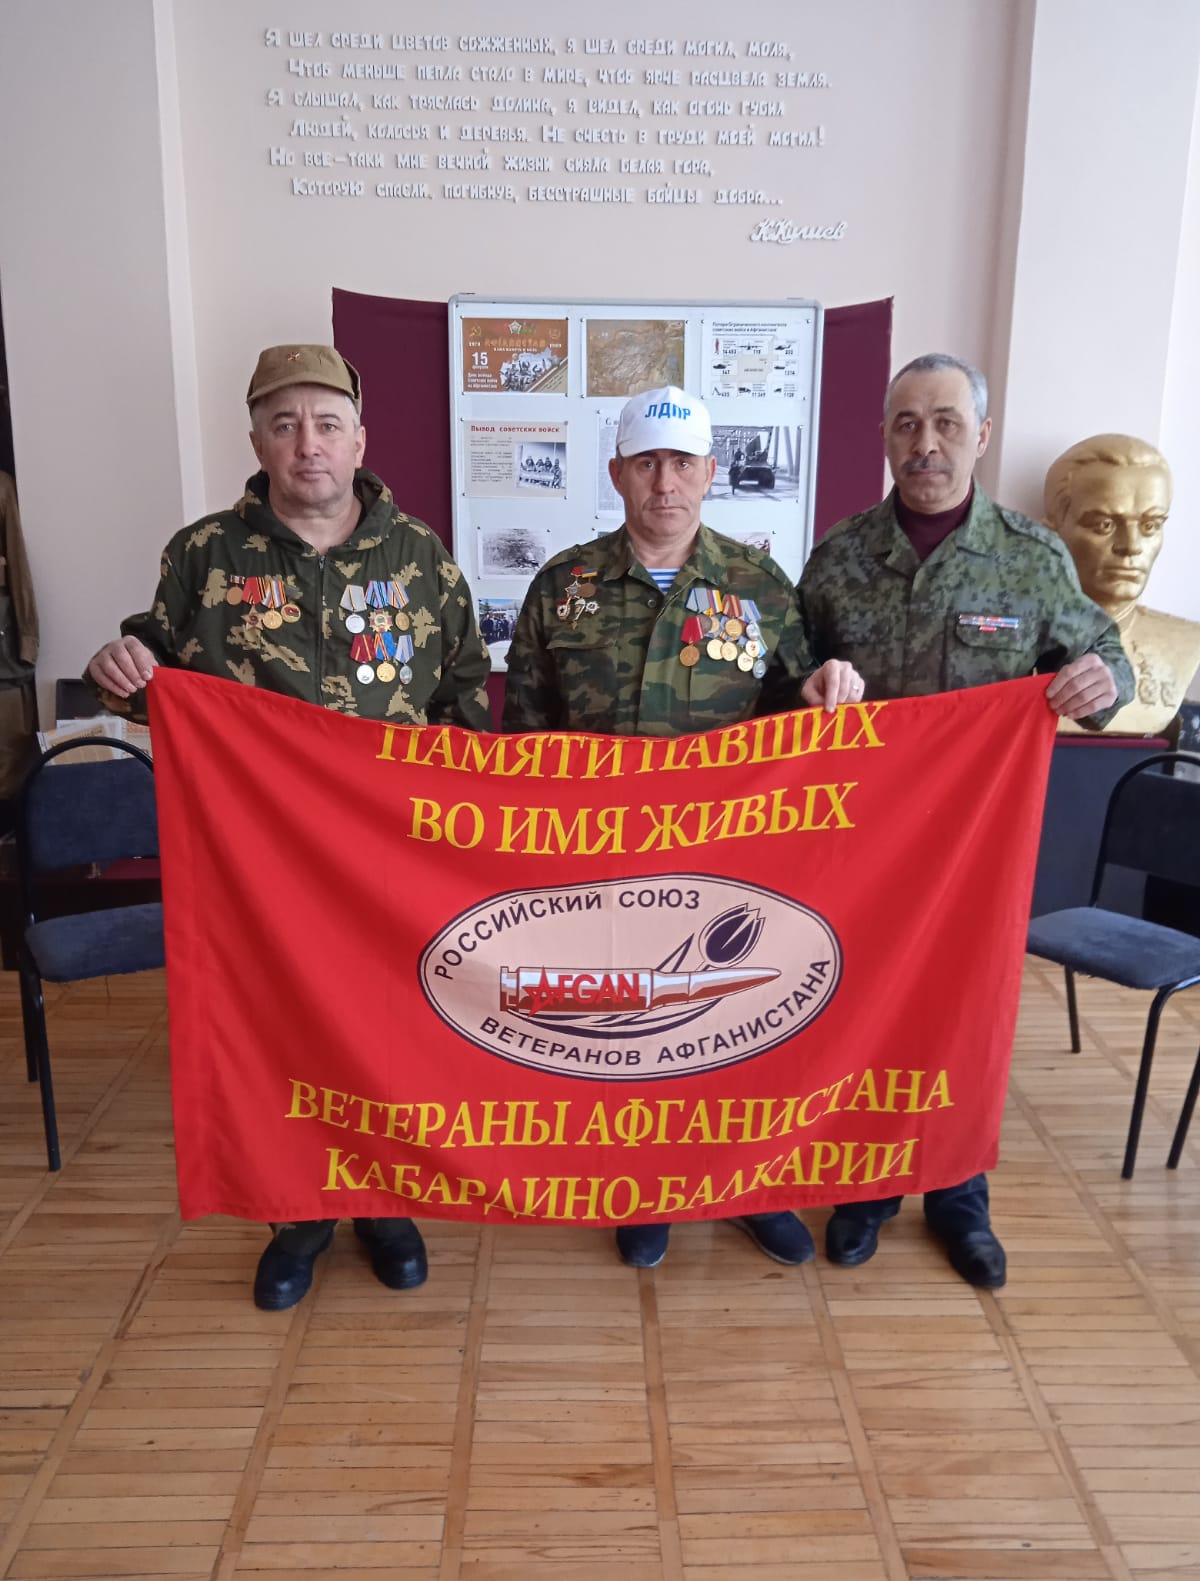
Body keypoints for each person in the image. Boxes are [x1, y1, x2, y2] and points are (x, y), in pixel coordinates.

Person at [86, 343, 491, 1311]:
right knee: (277, 1033)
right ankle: (296, 1214)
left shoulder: (421, 558)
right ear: (257, 440)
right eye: (285, 424)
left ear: (360, 438)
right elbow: (157, 667)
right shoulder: (203, 554)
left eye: (325, 423)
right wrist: (123, 664)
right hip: (256, 859)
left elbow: (467, 693)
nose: (307, 443)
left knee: (390, 1029)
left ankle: (385, 1204)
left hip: (392, 855)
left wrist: (451, 816)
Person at [503, 384, 862, 1269]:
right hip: (600, 863)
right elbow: (524, 736)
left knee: (737, 1025)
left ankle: (749, 1188)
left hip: (728, 863)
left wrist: (820, 690)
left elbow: (792, 711)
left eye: (682, 463)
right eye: (647, 463)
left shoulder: (758, 585)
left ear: (710, 472)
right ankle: (644, 1187)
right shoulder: (564, 585)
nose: (665, 482)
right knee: (633, 1031)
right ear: (618, 473)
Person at [798, 352, 1135, 1290]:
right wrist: (810, 684)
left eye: (946, 422)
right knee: (866, 1009)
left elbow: (1104, 654)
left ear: (981, 435)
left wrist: (1103, 682)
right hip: (863, 845)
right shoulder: (838, 558)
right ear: (883, 438)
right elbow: (790, 672)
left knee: (967, 1015)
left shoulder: (1032, 556)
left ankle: (959, 1195)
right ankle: (868, 1184)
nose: (927, 442)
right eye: (907, 423)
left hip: (980, 846)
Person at [1043, 434, 1200, 736]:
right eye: (1103, 525)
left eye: (1150, 525)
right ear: (1050, 535)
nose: (1131, 546)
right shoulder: (1012, 642)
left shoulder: (1188, 644)